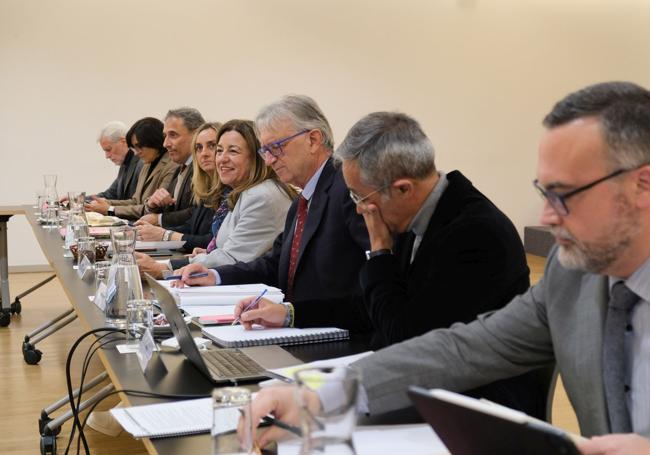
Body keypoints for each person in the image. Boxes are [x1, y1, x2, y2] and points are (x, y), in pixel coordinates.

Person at [241, 81, 650, 453]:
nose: (547, 215)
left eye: (564, 194)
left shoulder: (483, 234)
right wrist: (318, 395)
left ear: (642, 185)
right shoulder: (572, 274)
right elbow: (467, 346)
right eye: (544, 192)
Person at [176, 95, 372, 333]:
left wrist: (289, 314)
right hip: (299, 328)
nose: (268, 161)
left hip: (338, 338)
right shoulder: (303, 199)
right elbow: (275, 264)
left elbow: (370, 291)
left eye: (275, 148)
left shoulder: (348, 190)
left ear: (313, 140)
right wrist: (215, 275)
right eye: (265, 151)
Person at [138, 119, 296, 278]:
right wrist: (207, 254)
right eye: (220, 151)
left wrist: (163, 268)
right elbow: (225, 248)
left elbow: (231, 258)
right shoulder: (242, 192)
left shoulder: (260, 196)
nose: (221, 159)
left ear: (257, 157)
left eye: (233, 151)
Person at [85, 117, 177, 220]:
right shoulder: (147, 163)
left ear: (153, 141)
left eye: (139, 147)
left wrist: (110, 209)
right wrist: (106, 203)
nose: (136, 153)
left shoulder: (171, 165)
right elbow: (135, 201)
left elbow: (152, 208)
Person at [138, 107, 205, 228]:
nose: (165, 144)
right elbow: (172, 209)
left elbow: (199, 213)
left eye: (173, 135)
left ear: (196, 134)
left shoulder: (205, 169)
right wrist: (153, 205)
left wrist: (159, 219)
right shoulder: (180, 166)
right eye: (165, 136)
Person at [95, 120, 143, 200]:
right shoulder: (124, 164)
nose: (107, 156)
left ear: (124, 142)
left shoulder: (141, 163)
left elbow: (137, 203)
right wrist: (78, 200)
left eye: (109, 149)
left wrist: (110, 208)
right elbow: (110, 194)